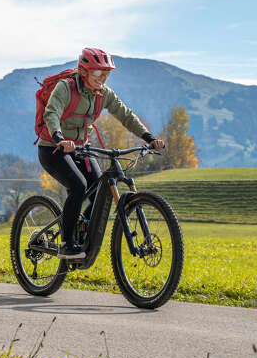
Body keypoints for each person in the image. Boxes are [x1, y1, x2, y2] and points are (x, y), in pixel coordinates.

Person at [38, 48, 164, 259]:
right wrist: (59, 138)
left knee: (99, 193)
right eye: (98, 73)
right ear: (84, 71)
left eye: (106, 74)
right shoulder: (65, 88)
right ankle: (68, 244)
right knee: (78, 186)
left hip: (82, 148)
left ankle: (81, 228)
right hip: (53, 148)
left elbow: (125, 115)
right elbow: (52, 113)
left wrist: (148, 137)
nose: (102, 78)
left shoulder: (103, 94)